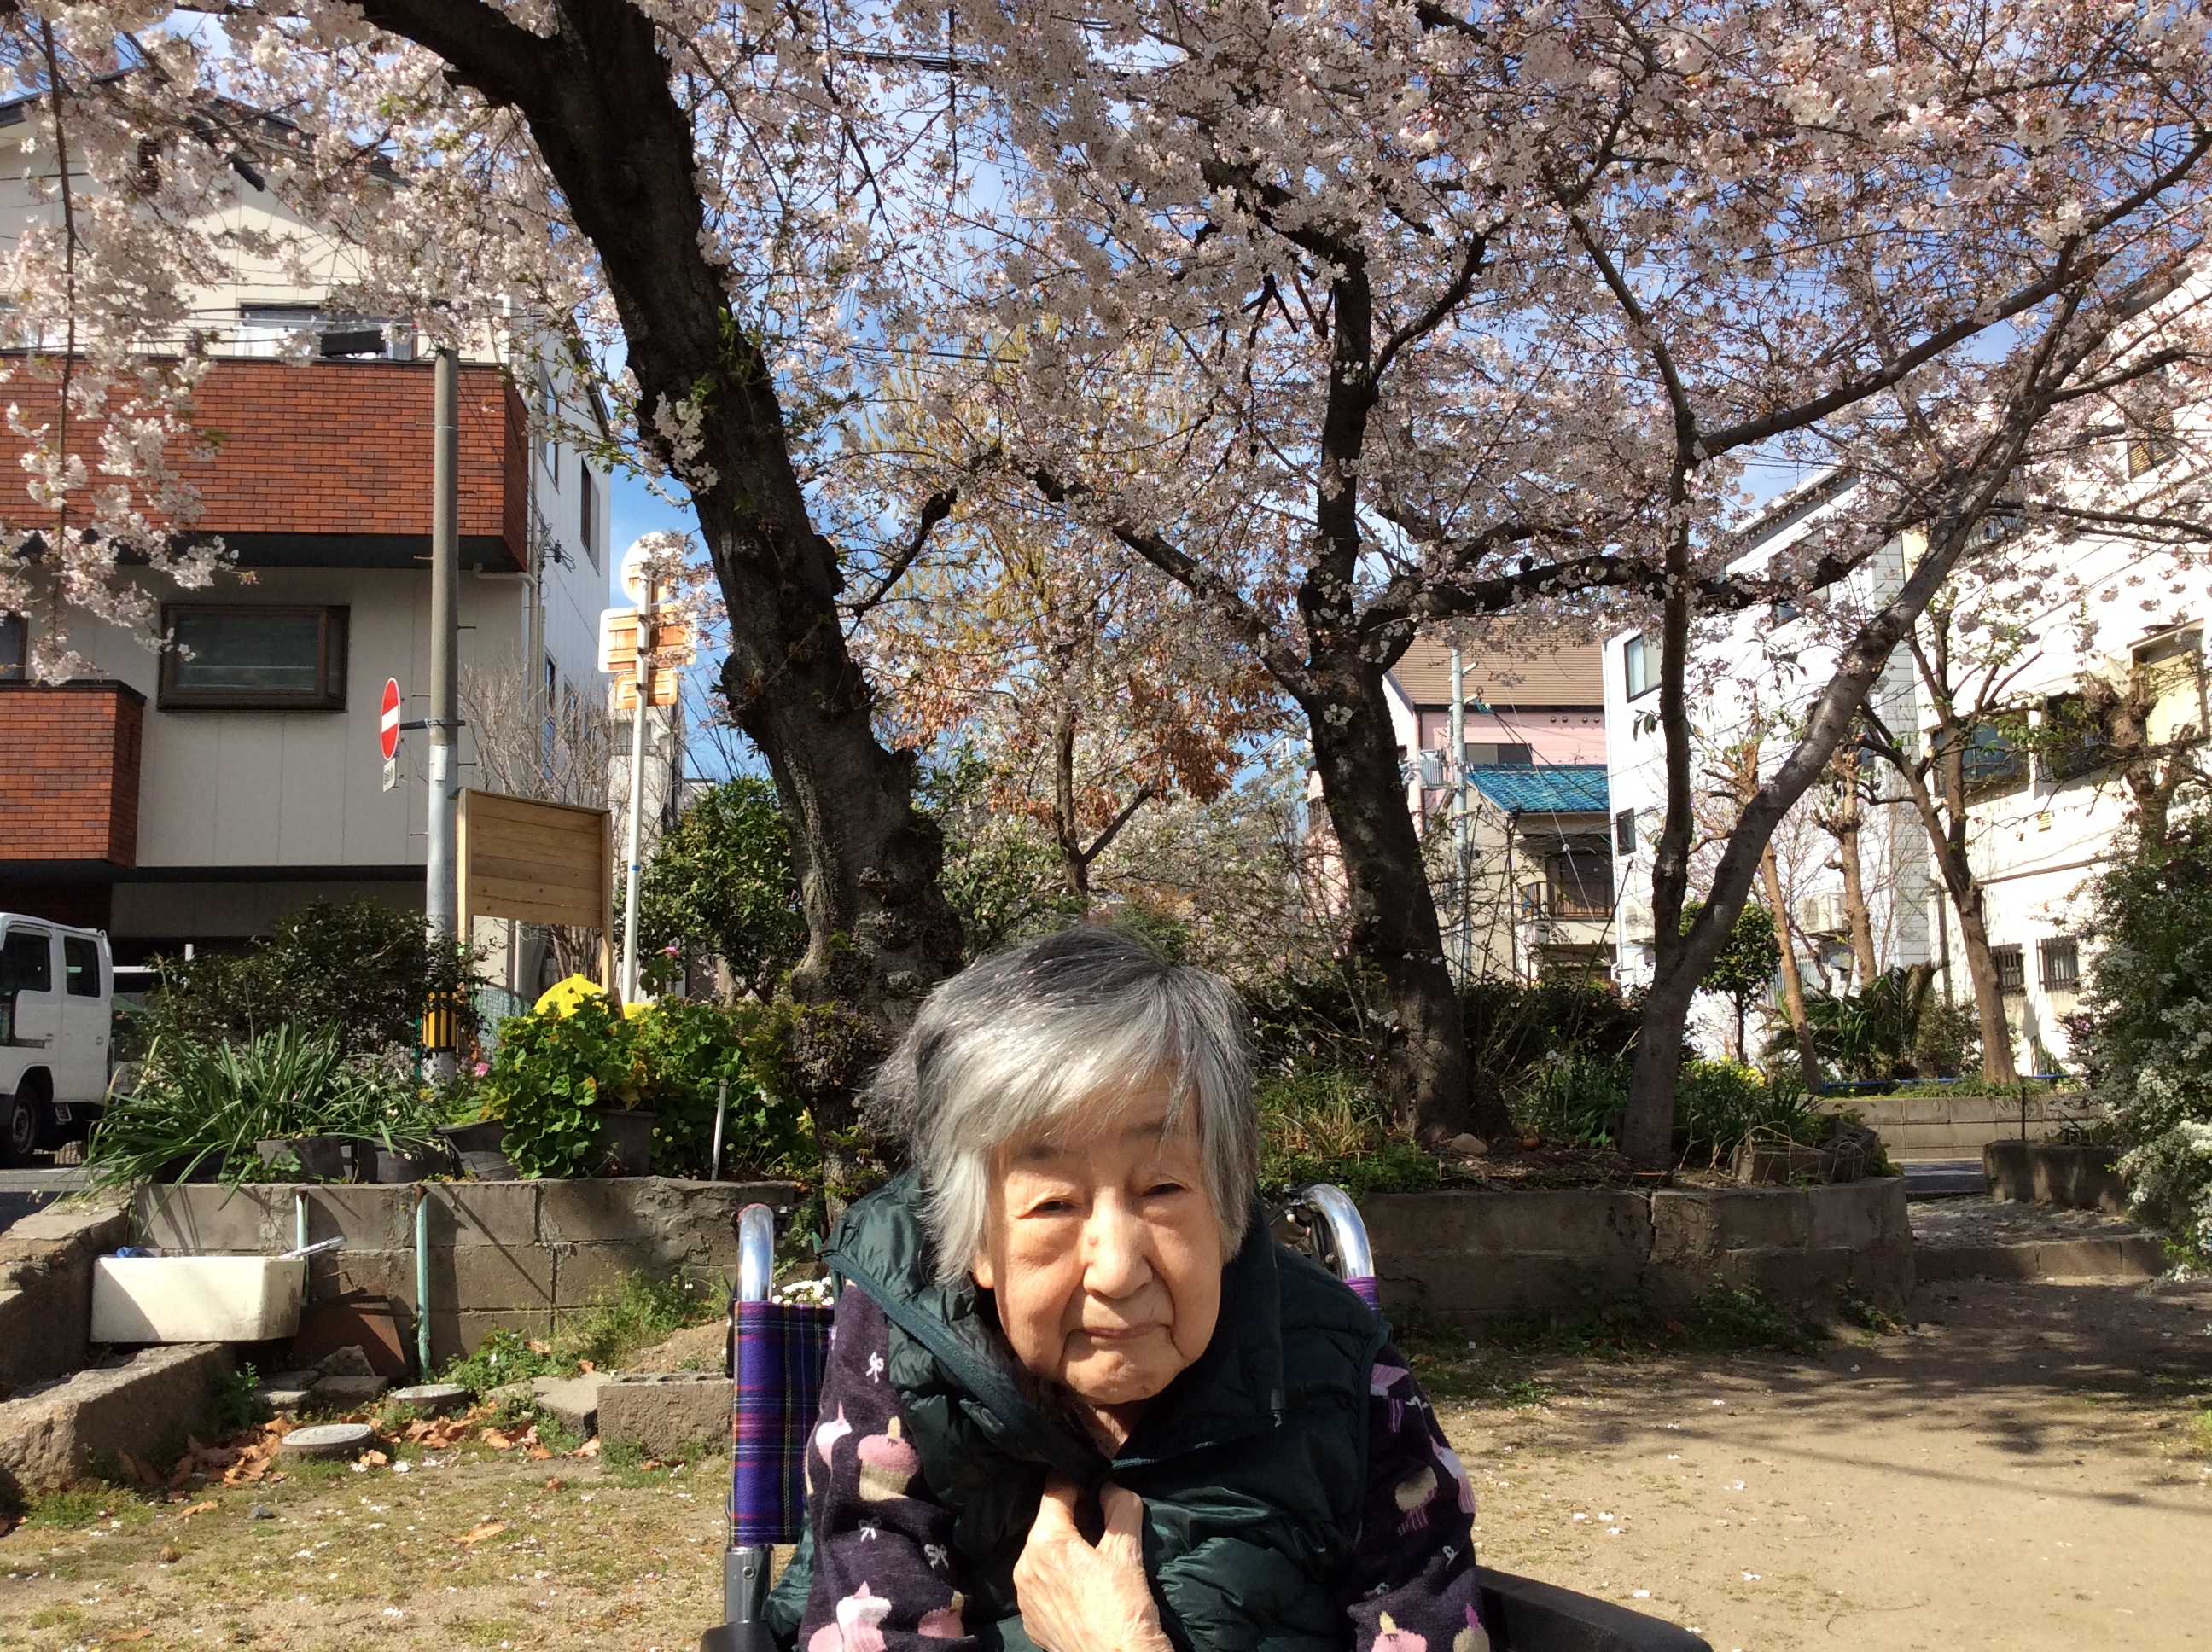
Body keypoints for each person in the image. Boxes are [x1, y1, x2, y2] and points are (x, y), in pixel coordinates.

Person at [768, 926, 1485, 1652]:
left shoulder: (1344, 1367)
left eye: (1163, 1188)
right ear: (975, 1240)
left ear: (1225, 1206)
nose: (1118, 1269)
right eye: (1053, 1203)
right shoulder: (901, 1359)